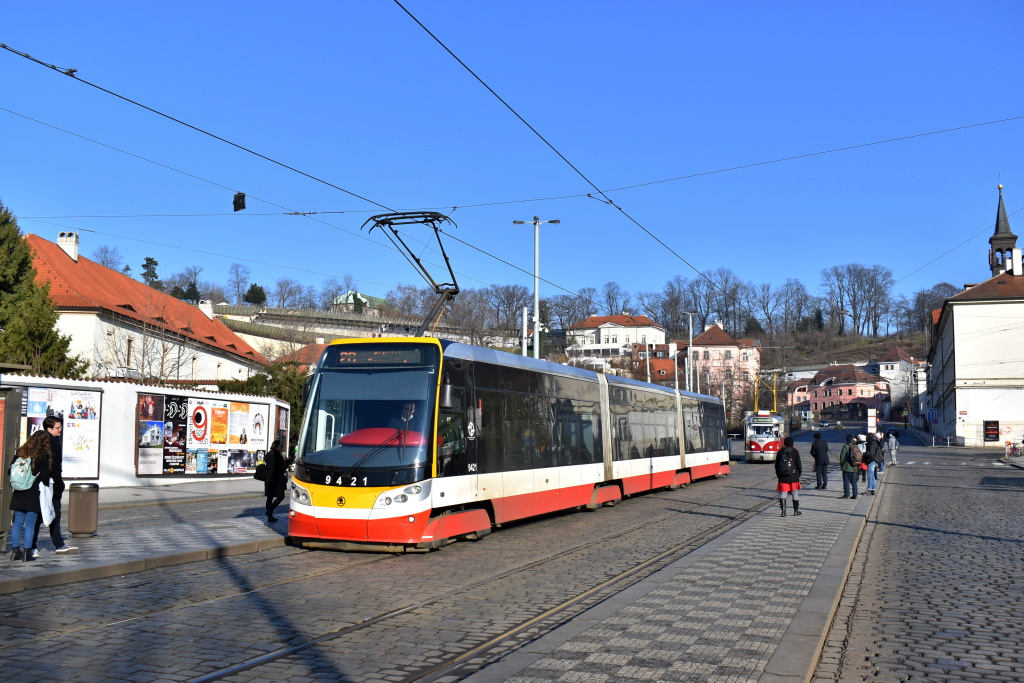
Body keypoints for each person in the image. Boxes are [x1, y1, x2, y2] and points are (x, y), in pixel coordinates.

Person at [31, 416, 78, 557]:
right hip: (47, 484)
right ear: (49, 428)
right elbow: (48, 465)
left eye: (60, 427)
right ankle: (32, 546)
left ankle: (58, 544)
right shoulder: (46, 441)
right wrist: (54, 480)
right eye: (58, 427)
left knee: (54, 513)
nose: (60, 430)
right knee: (42, 515)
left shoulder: (54, 440)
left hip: (52, 483)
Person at [8, 430, 52, 561]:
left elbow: (9, 471)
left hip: (18, 493)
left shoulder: (21, 452)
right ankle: (27, 552)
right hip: (33, 493)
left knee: (17, 524)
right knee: (30, 524)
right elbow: (45, 478)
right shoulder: (42, 456)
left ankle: (15, 552)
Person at [775, 436, 802, 516]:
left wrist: (779, 475)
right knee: (795, 493)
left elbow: (777, 466)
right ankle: (796, 511)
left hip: (783, 476)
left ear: (785, 443)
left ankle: (783, 512)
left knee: (783, 493)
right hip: (794, 476)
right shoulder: (795, 452)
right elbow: (799, 465)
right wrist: (798, 474)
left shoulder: (780, 452)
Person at [264, 439, 289, 523]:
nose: (281, 448)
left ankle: (269, 515)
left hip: (269, 478)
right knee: (281, 496)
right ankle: (270, 511)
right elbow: (282, 468)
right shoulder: (277, 456)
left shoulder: (269, 454)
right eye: (281, 446)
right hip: (277, 479)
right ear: (277, 447)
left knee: (270, 497)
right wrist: (287, 462)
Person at [839, 434, 859, 499]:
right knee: (854, 481)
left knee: (846, 481)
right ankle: (855, 495)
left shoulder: (846, 446)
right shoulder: (856, 446)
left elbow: (842, 456)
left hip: (846, 467)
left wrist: (842, 464)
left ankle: (846, 494)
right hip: (854, 466)